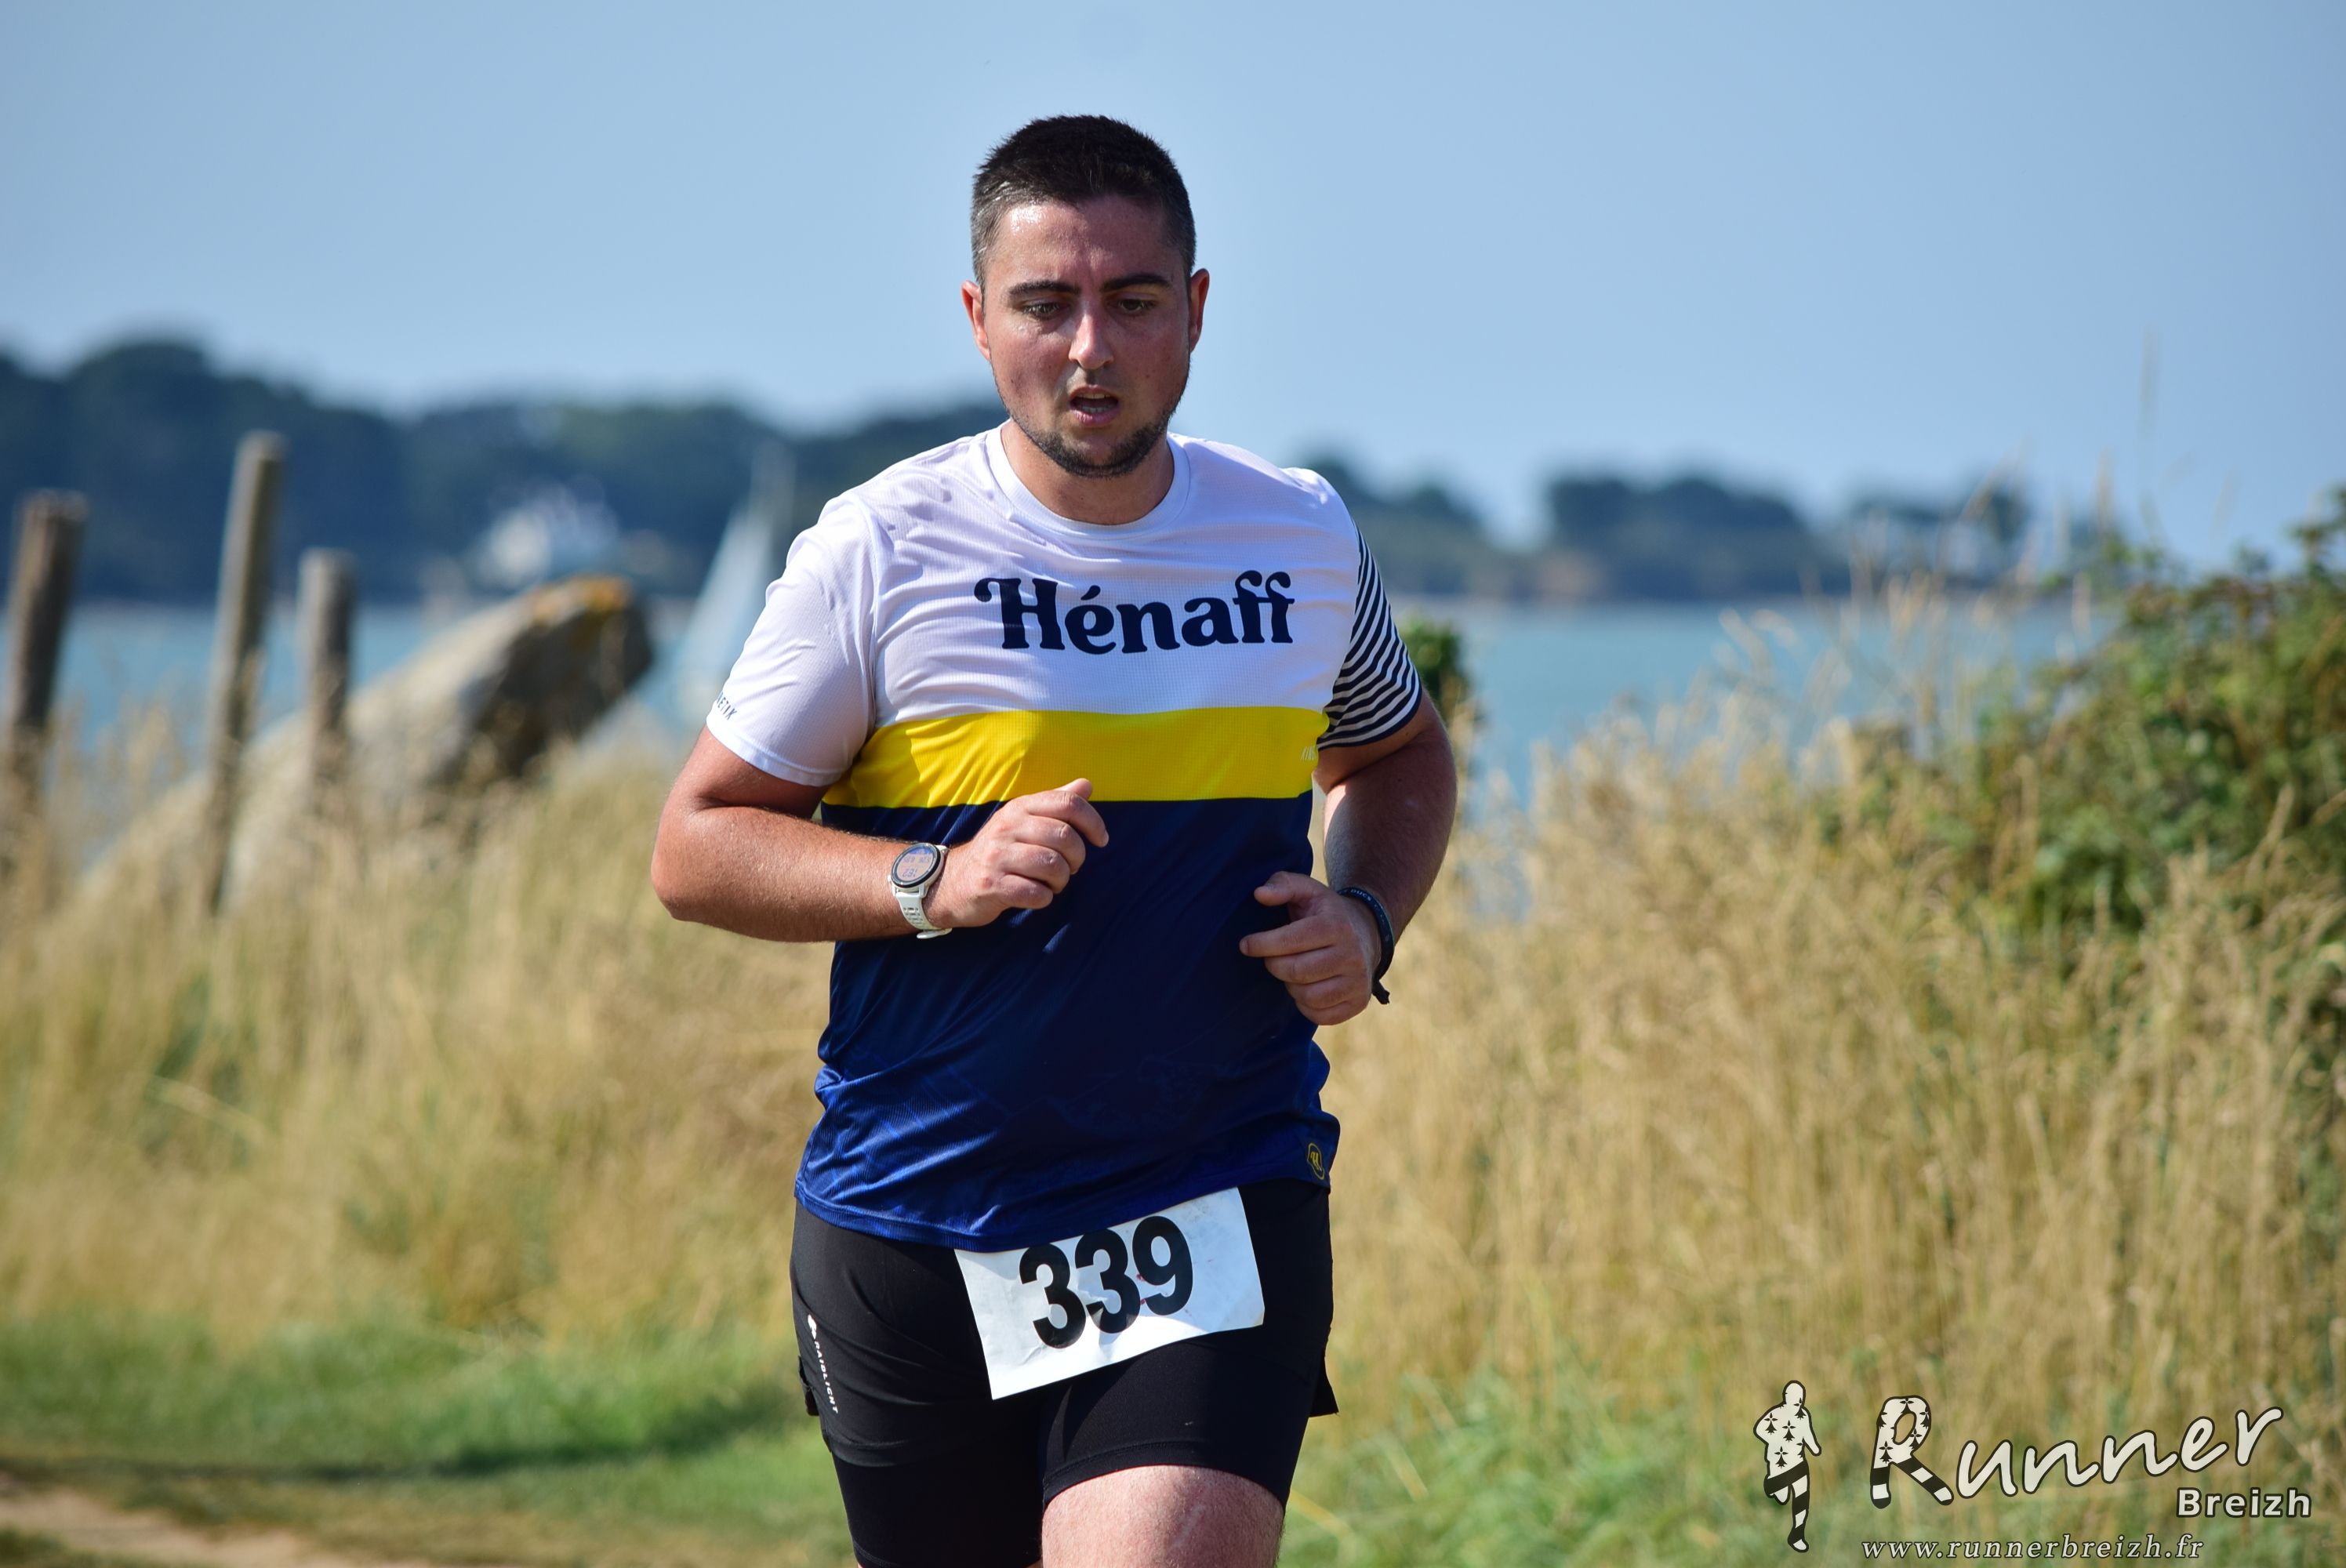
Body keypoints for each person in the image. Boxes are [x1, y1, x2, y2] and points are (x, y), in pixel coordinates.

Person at [651, 114, 1456, 1568]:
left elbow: (1395, 753)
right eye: (1045, 305)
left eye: (1133, 301)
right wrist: (933, 881)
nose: (1090, 349)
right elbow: (697, 846)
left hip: (1210, 1191)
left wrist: (1367, 917)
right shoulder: (881, 549)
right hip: (911, 1214)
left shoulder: (1296, 536)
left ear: (1195, 310)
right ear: (979, 319)